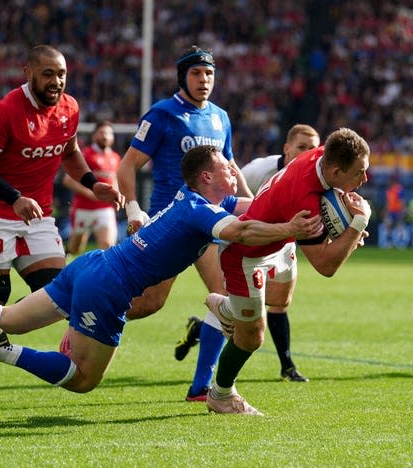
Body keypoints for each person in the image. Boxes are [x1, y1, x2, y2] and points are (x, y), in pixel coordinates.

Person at [0, 146, 322, 402]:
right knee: (82, 379)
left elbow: (253, 207)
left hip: (91, 266)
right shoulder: (202, 210)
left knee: (8, 314)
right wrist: (289, 229)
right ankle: (2, 353)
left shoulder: (199, 201)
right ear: (206, 176)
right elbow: (243, 228)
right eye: (226, 164)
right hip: (109, 287)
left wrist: (301, 206)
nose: (233, 169)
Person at [0, 45, 123, 408]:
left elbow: (70, 152)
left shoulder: (69, 108)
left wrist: (93, 184)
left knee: (59, 293)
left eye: (61, 74)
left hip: (37, 215)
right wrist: (13, 197)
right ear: (28, 72)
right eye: (48, 74)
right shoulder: (6, 110)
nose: (56, 81)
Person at [205, 127, 372, 415]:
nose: (364, 179)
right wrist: (357, 225)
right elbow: (325, 266)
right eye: (359, 172)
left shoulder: (320, 155)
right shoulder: (304, 202)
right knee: (253, 336)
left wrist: (346, 233)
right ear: (334, 171)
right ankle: (220, 394)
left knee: (281, 299)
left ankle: (230, 310)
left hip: (281, 239)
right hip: (247, 254)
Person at [105, 46, 252, 362]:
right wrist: (133, 208)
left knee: (227, 298)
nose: (204, 80)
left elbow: (230, 164)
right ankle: (89, 316)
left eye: (209, 73)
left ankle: (203, 389)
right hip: (170, 222)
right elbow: (127, 165)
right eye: (196, 73)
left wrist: (252, 200)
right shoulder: (162, 114)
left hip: (211, 220)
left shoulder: (220, 117)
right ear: (182, 77)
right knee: (149, 303)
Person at [179, 124, 321, 402]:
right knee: (238, 306)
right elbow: (230, 204)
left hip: (261, 236)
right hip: (229, 234)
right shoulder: (260, 170)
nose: (308, 153)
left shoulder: (310, 177)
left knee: (274, 302)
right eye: (302, 147)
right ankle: (204, 386)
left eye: (313, 148)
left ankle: (207, 345)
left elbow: (250, 207)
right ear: (287, 148)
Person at [62, 120, 122, 254]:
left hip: (105, 209)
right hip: (83, 208)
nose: (105, 136)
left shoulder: (115, 157)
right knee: (75, 249)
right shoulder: (85, 154)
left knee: (108, 246)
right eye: (101, 133)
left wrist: (116, 195)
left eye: (108, 133)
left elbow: (114, 180)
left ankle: (103, 274)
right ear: (94, 135)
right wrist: (90, 193)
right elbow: (68, 180)